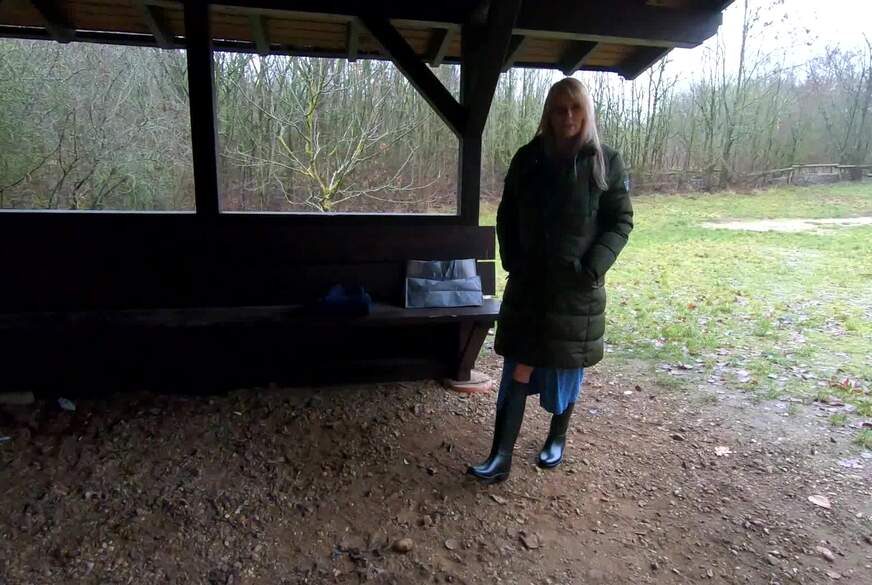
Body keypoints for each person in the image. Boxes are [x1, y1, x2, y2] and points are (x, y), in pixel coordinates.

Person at [468, 77, 634, 483]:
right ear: (549, 113)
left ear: (586, 112)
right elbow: (507, 214)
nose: (568, 117)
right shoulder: (528, 158)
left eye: (575, 108)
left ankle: (557, 437)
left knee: (565, 365)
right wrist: (513, 258)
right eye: (560, 109)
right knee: (519, 366)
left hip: (576, 288)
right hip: (530, 285)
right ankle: (500, 456)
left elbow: (620, 221)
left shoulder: (605, 161)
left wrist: (592, 267)